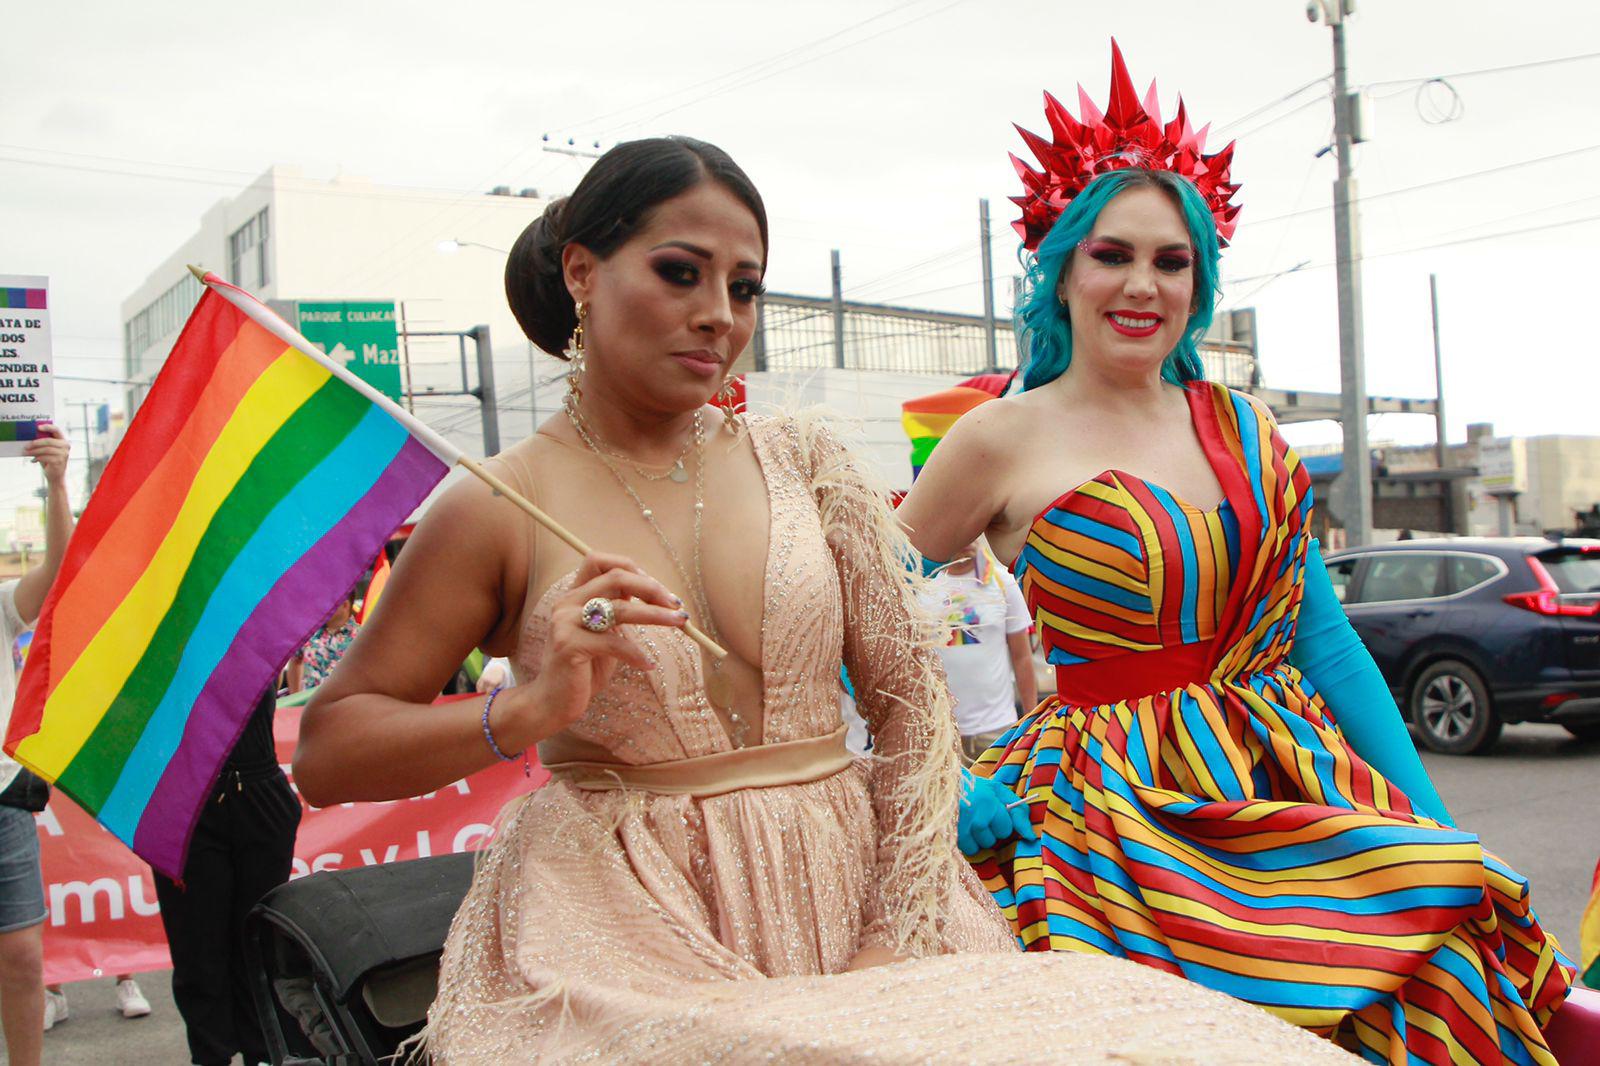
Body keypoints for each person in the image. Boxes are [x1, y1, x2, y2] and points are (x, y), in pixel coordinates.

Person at [293, 136, 1349, 1063]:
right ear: (582, 271)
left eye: (744, 287)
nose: (717, 315)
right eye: (679, 272)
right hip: (624, 922)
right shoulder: (492, 505)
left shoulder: (803, 462)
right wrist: (522, 713)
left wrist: (895, 928)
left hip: (871, 893)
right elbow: (333, 750)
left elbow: (906, 707)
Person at [897, 44, 1575, 1064]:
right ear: (1062, 265)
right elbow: (844, 614)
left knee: (1432, 980)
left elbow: (1326, 640)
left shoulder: (1248, 425)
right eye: (1111, 254)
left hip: (1292, 781)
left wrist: (1439, 824)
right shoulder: (996, 437)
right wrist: (936, 777)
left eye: (1171, 261)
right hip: (1110, 827)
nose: (1141, 284)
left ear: (1199, 279)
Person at [151, 687, 300, 1066]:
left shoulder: (253, 626)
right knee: (197, 951)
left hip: (258, 787)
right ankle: (209, 1056)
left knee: (259, 946)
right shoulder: (145, 633)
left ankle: (265, 1053)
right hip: (182, 798)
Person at [0, 423, 73, 1066]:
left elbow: (56, 577)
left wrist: (55, 483)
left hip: (2, 800)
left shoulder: (0, 605)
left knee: (22, 959)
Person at [924, 540, 1036, 766]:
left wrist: (1031, 722)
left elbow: (1022, 657)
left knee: (1001, 800)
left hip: (997, 730)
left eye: (972, 533)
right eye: (959, 534)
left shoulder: (1002, 583)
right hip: (943, 734)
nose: (966, 540)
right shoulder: (925, 586)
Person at [287, 590, 359, 692]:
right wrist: (294, 696)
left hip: (344, 705)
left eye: (328, 602)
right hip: (308, 705)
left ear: (345, 605)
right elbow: (295, 661)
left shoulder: (361, 638)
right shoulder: (309, 632)